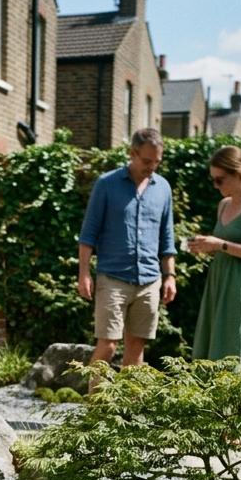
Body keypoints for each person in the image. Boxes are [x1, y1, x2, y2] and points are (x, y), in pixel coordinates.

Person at [77, 128, 177, 373]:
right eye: (146, 161)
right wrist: (84, 273)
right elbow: (89, 233)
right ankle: (96, 407)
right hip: (112, 277)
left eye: (157, 161)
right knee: (108, 345)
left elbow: (167, 237)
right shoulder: (106, 184)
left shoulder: (163, 188)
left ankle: (128, 408)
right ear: (132, 153)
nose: (152, 166)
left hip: (149, 280)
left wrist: (170, 276)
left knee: (136, 347)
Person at [188, 145, 241, 361]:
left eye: (220, 179)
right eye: (213, 179)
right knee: (213, 341)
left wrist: (220, 244)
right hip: (219, 277)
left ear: (239, 173)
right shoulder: (223, 204)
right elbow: (221, 245)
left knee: (234, 342)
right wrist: (206, 247)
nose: (216, 185)